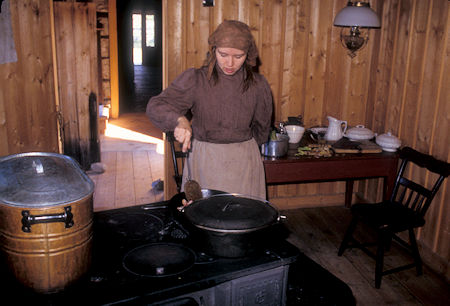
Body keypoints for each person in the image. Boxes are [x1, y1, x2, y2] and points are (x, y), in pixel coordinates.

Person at [146, 20, 273, 199]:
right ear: (214, 50)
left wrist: (246, 147)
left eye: (238, 56)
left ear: (248, 55)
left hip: (244, 163)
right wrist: (179, 120)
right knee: (204, 217)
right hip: (205, 161)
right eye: (223, 54)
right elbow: (156, 106)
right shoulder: (196, 79)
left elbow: (262, 128)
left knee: (242, 218)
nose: (230, 63)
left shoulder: (258, 85)